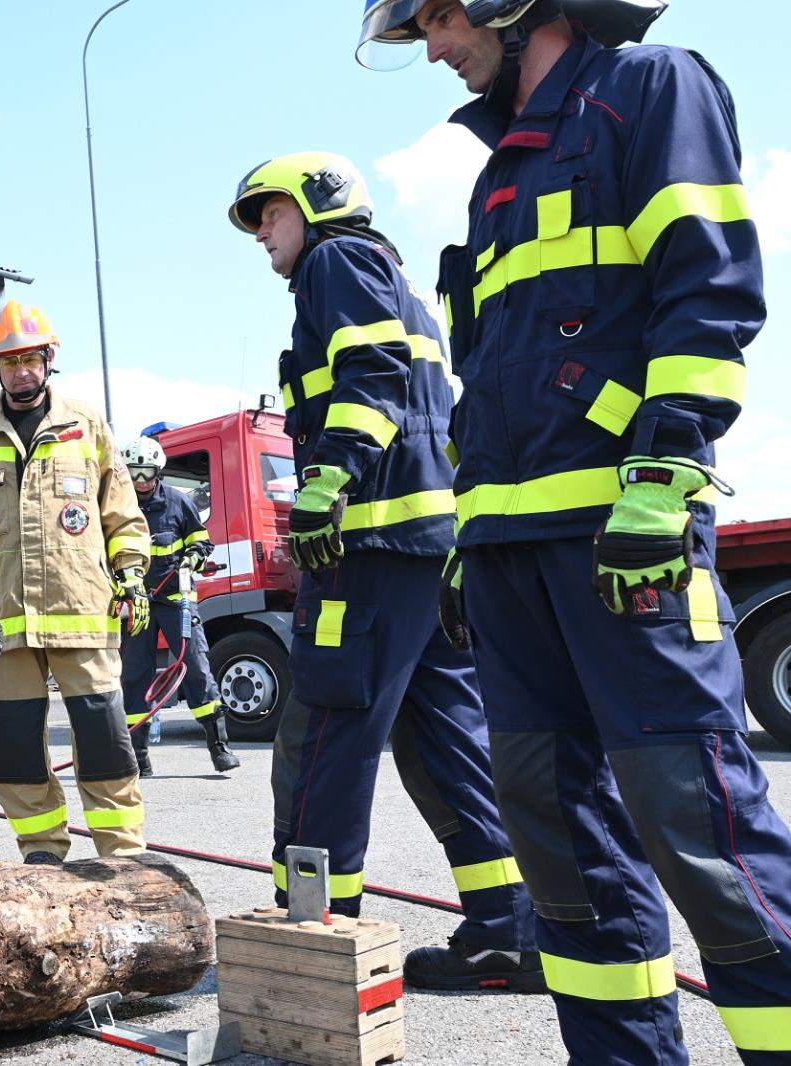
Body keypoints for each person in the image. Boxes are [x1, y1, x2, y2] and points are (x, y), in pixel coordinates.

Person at [361, 1, 791, 1059]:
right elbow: (493, 379)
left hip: (621, 534)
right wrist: (470, 535)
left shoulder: (648, 89)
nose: (434, 44)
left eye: (443, 15)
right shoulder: (497, 170)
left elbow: (710, 288)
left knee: (697, 829)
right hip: (509, 556)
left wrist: (663, 475)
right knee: (557, 845)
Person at [229, 151, 540, 990]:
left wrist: (329, 479)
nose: (261, 230)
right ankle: (507, 932)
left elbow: (370, 377)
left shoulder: (336, 261)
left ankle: (315, 948)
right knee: (451, 751)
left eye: (270, 211)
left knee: (323, 745)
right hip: (426, 555)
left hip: (365, 551)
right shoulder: (396, 280)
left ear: (318, 207)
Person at [0, 301, 152, 863]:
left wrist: (134, 576)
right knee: (17, 748)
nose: (22, 370)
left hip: (84, 612)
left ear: (49, 360)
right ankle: (42, 851)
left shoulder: (87, 425)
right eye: (9, 360)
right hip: (7, 621)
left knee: (105, 740)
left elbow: (121, 512)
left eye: (31, 358)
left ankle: (122, 855)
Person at [117, 436, 240, 776]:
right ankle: (139, 758)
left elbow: (201, 539)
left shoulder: (177, 502)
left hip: (176, 602)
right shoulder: (117, 506)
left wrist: (192, 557)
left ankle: (219, 748)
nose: (141, 482)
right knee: (134, 677)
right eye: (135, 474)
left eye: (147, 474)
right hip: (137, 606)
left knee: (197, 669)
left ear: (158, 471)